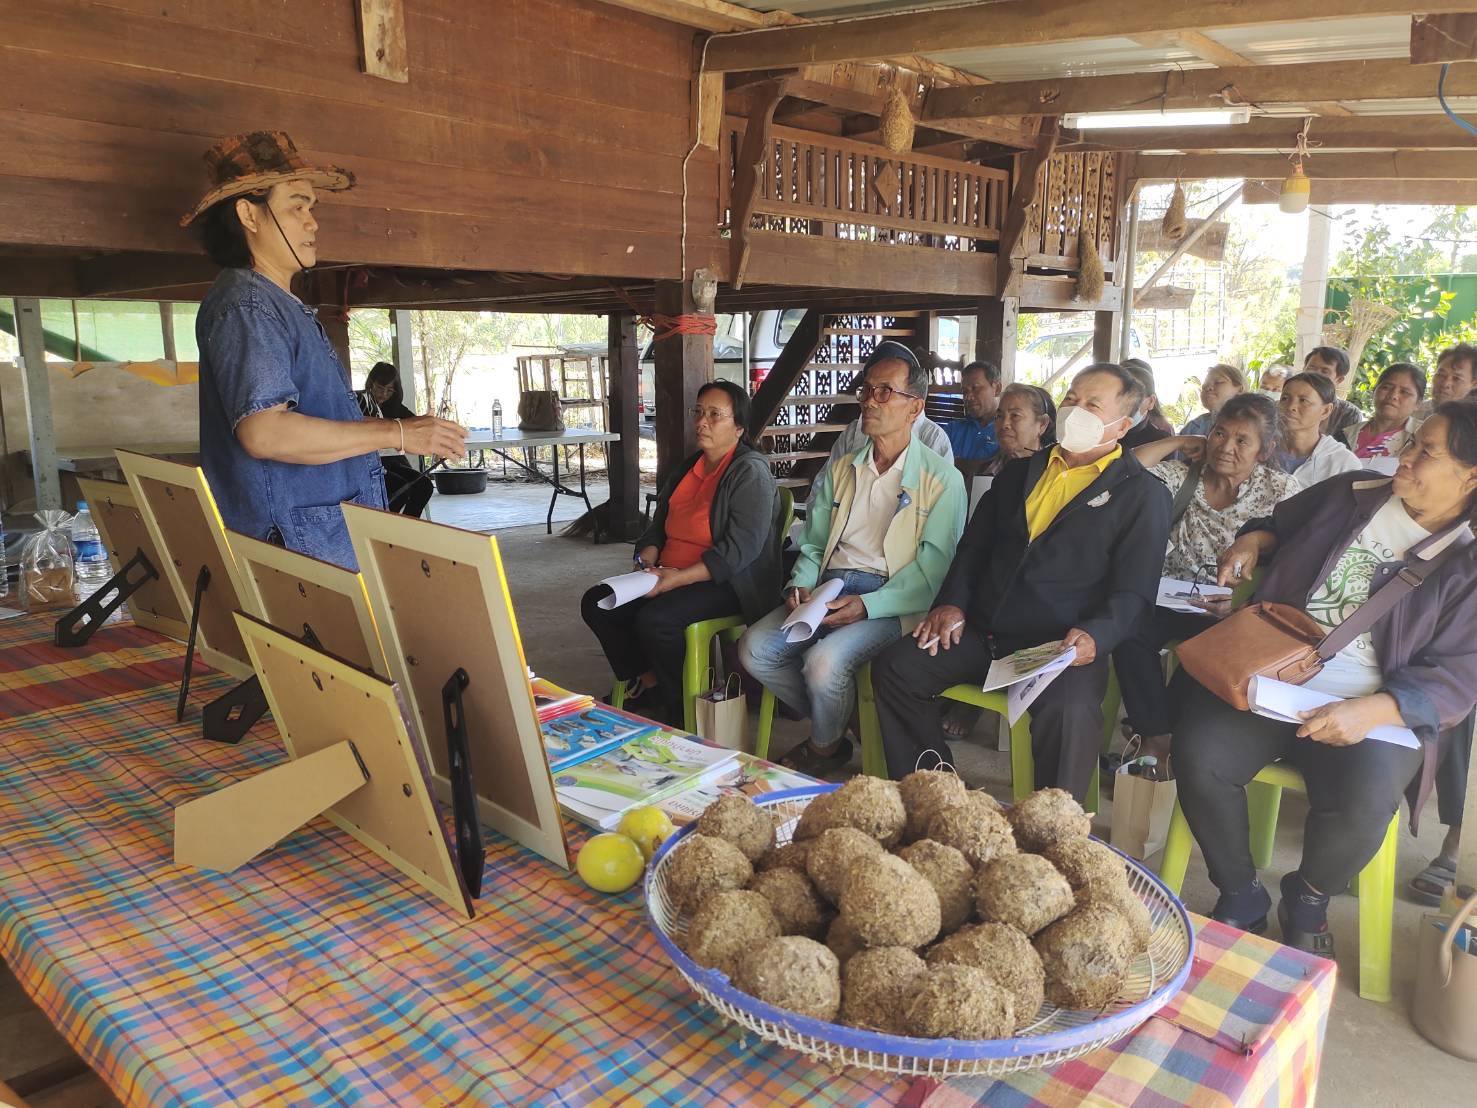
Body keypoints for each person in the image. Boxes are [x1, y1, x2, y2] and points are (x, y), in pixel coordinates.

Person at [1170, 401, 1477, 954]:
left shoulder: (1466, 566)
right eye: (1410, 443)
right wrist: (1252, 541)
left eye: (1426, 452)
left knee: (1365, 803)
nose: (1405, 457)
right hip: (1275, 673)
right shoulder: (1351, 492)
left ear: (1470, 477)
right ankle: (1240, 891)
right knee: (1199, 753)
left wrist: (1372, 711)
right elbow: (1275, 525)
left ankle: (1308, 896)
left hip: (1374, 704)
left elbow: (1458, 677)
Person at [872, 363, 1171, 800]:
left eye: (1092, 405)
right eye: (1071, 398)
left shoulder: (1142, 495)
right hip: (984, 633)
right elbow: (974, 547)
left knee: (1069, 711)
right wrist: (952, 602)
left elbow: (1134, 593)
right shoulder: (1020, 472)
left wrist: (1095, 636)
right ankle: (935, 793)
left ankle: (1051, 825)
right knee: (898, 668)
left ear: (1123, 425)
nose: (1075, 410)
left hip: (1059, 647)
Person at [184, 131, 466, 569]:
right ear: (248, 214)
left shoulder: (273, 303)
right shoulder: (249, 305)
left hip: (310, 541)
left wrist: (399, 429)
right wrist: (396, 433)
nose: (312, 222)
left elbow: (312, 422)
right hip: (293, 549)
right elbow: (265, 433)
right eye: (296, 207)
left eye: (311, 208)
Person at [739, 346, 966, 775]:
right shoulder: (844, 467)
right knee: (755, 650)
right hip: (832, 586)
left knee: (824, 664)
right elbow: (814, 543)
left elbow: (932, 575)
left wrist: (868, 605)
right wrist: (801, 582)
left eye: (885, 392)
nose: (869, 401)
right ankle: (842, 723)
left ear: (914, 407)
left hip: (893, 597)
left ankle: (823, 745)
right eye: (866, 390)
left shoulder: (942, 479)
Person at [581, 381, 781, 725]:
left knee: (657, 620)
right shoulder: (690, 467)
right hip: (668, 570)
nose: (702, 422)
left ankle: (680, 711)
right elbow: (659, 524)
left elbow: (739, 551)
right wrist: (648, 553)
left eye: (715, 415)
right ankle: (652, 684)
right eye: (698, 412)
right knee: (598, 603)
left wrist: (678, 579)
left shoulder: (750, 472)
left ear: (739, 427)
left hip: (727, 581)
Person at [1113, 393, 1295, 766]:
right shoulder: (1183, 475)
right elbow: (1123, 469)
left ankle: (1158, 737)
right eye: (1219, 433)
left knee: (1206, 657)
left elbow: (1296, 544)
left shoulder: (1281, 490)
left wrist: (1253, 552)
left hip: (1233, 609)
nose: (1226, 447)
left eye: (1242, 440)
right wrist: (1179, 441)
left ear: (1264, 450)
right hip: (1167, 595)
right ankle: (1158, 737)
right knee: (1128, 631)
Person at [358, 361, 433, 518]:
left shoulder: (394, 406)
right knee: (400, 488)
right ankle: (385, 527)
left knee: (424, 485)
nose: (384, 394)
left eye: (389, 390)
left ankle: (407, 526)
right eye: (380, 388)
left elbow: (415, 423)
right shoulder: (360, 402)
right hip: (367, 465)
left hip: (391, 463)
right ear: (371, 383)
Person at [1272, 372, 1362, 488]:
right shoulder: (1263, 449)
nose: (1291, 407)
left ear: (1326, 411)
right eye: (1285, 398)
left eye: (1303, 400)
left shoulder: (1343, 464)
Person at [1342, 362, 1425, 464]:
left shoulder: (1423, 437)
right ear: (1374, 391)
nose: (1393, 395)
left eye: (1404, 392)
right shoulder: (1346, 435)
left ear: (1418, 403)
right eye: (1386, 387)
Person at [980, 383, 1056, 478]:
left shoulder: (1055, 473)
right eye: (999, 416)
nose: (1004, 424)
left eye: (1015, 415)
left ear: (1042, 424)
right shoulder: (987, 470)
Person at [942, 360, 1002, 474]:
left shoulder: (1007, 431)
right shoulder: (953, 429)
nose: (968, 397)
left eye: (976, 388)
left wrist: (957, 462)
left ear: (997, 388)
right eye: (965, 391)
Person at [1301, 346, 1363, 442]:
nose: (1315, 375)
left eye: (1325, 371)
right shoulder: (1287, 403)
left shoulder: (1349, 414)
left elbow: (1344, 449)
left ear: (1339, 379)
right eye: (1311, 368)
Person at [1119, 358, 1174, 450]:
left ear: (1151, 401)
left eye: (1135, 398)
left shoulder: (1162, 440)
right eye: (1119, 398)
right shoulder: (1105, 432)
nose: (1125, 405)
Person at [1180, 364, 1246, 438]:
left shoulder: (1251, 424)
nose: (1208, 388)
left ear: (1240, 390)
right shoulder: (1193, 427)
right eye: (1204, 386)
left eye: (1218, 382)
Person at [1419, 343, 1477, 417]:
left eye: (1456, 378)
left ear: (1474, 384)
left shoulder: (1472, 419)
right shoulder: (1413, 412)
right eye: (1441, 375)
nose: (1445, 384)